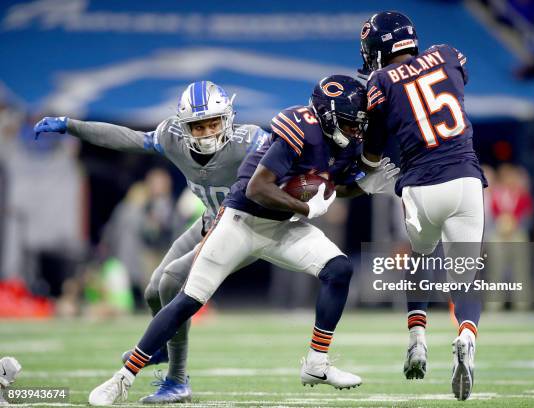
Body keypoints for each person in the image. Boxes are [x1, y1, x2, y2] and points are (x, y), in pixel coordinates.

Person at [87, 74, 398, 406]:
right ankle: (122, 378)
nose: (356, 130)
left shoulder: (344, 144)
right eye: (351, 122)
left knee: (339, 269)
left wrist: (363, 186)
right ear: (327, 117)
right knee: (187, 299)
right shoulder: (298, 128)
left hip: (282, 227)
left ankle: (316, 364)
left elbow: (327, 187)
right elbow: (258, 188)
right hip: (241, 221)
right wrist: (305, 207)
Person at [34, 80, 269, 404]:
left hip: (248, 229)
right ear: (184, 127)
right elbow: (127, 138)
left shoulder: (252, 140)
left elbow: (295, 156)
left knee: (172, 282)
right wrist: (71, 126)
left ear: (228, 118)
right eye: (197, 126)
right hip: (212, 223)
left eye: (214, 123)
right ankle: (160, 344)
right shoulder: (172, 137)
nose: (207, 132)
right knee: (153, 290)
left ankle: (177, 379)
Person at [358, 11, 488, 400]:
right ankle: (466, 336)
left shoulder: (379, 81)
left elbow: (372, 153)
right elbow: (454, 79)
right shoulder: (447, 54)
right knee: (466, 277)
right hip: (465, 179)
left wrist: (364, 170)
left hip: (420, 187)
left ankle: (417, 335)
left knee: (420, 255)